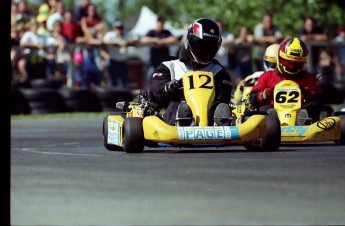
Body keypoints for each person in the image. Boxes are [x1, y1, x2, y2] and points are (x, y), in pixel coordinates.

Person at [149, 18, 232, 126]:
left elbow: (225, 97)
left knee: (221, 107)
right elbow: (155, 92)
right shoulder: (170, 66)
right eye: (201, 46)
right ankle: (183, 121)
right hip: (174, 116)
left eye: (210, 48)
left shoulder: (217, 71)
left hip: (209, 118)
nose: (205, 52)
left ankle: (219, 125)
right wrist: (172, 86)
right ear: (189, 42)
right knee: (177, 104)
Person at [249, 37, 324, 124]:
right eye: (288, 62)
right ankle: (272, 120)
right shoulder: (267, 77)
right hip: (273, 123)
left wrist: (309, 94)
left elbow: (321, 99)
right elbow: (252, 98)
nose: (291, 66)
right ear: (280, 58)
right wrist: (264, 94)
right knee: (265, 108)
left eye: (296, 63)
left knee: (313, 107)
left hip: (300, 115)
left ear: (303, 62)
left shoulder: (308, 78)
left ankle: (303, 120)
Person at [141, 16, 178, 82]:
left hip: (164, 62)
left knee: (166, 78)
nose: (160, 24)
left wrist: (162, 41)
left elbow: (173, 39)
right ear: (157, 23)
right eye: (159, 22)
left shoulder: (166, 32)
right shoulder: (151, 32)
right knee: (149, 77)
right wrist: (155, 40)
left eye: (162, 23)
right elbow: (143, 39)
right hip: (153, 62)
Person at [103, 21, 138, 88]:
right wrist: (116, 42)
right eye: (117, 28)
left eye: (120, 28)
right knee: (113, 82)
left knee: (125, 82)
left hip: (123, 61)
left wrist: (128, 41)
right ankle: (113, 97)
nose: (119, 30)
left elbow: (137, 38)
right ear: (114, 28)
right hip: (113, 61)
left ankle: (124, 97)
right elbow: (104, 41)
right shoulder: (110, 35)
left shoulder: (127, 34)